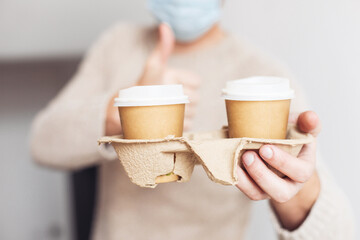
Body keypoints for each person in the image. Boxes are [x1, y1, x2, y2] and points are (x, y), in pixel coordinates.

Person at [30, 0, 354, 239]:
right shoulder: (118, 45)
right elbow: (41, 143)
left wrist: (298, 191)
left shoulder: (265, 78)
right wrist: (123, 109)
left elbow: (339, 233)